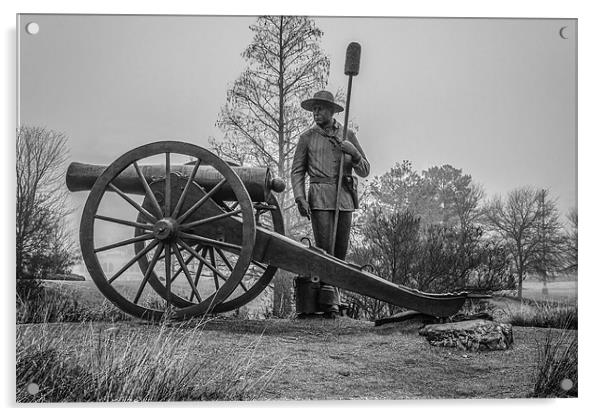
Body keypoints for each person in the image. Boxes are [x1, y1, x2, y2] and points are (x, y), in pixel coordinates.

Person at [291, 90, 370, 319]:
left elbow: (365, 170)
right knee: (324, 251)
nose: (316, 112)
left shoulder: (348, 134)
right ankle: (327, 302)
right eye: (313, 109)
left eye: (320, 108)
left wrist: (354, 153)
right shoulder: (306, 138)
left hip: (344, 198)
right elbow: (297, 171)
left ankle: (334, 297)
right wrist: (300, 198)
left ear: (331, 111)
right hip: (320, 198)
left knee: (340, 253)